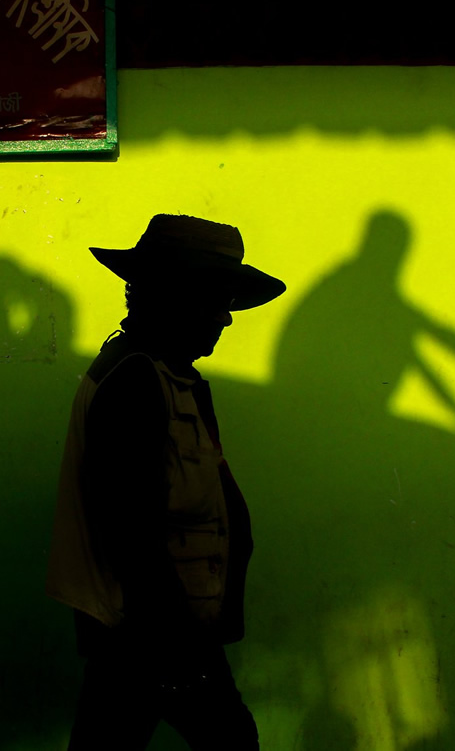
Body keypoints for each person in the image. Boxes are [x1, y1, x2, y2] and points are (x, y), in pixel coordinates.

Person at [46, 214, 285, 750]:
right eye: (214, 300)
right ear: (171, 297)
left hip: (155, 629)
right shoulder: (136, 381)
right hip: (151, 630)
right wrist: (178, 649)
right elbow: (131, 529)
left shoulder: (166, 374)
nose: (225, 319)